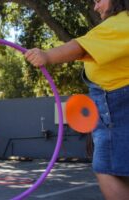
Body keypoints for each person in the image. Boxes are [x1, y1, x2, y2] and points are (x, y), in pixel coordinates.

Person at [25, 0, 129, 199]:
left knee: (105, 168)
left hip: (116, 106)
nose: (95, 7)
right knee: (121, 170)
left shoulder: (120, 23)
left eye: (99, 1)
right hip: (113, 106)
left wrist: (46, 55)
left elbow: (80, 47)